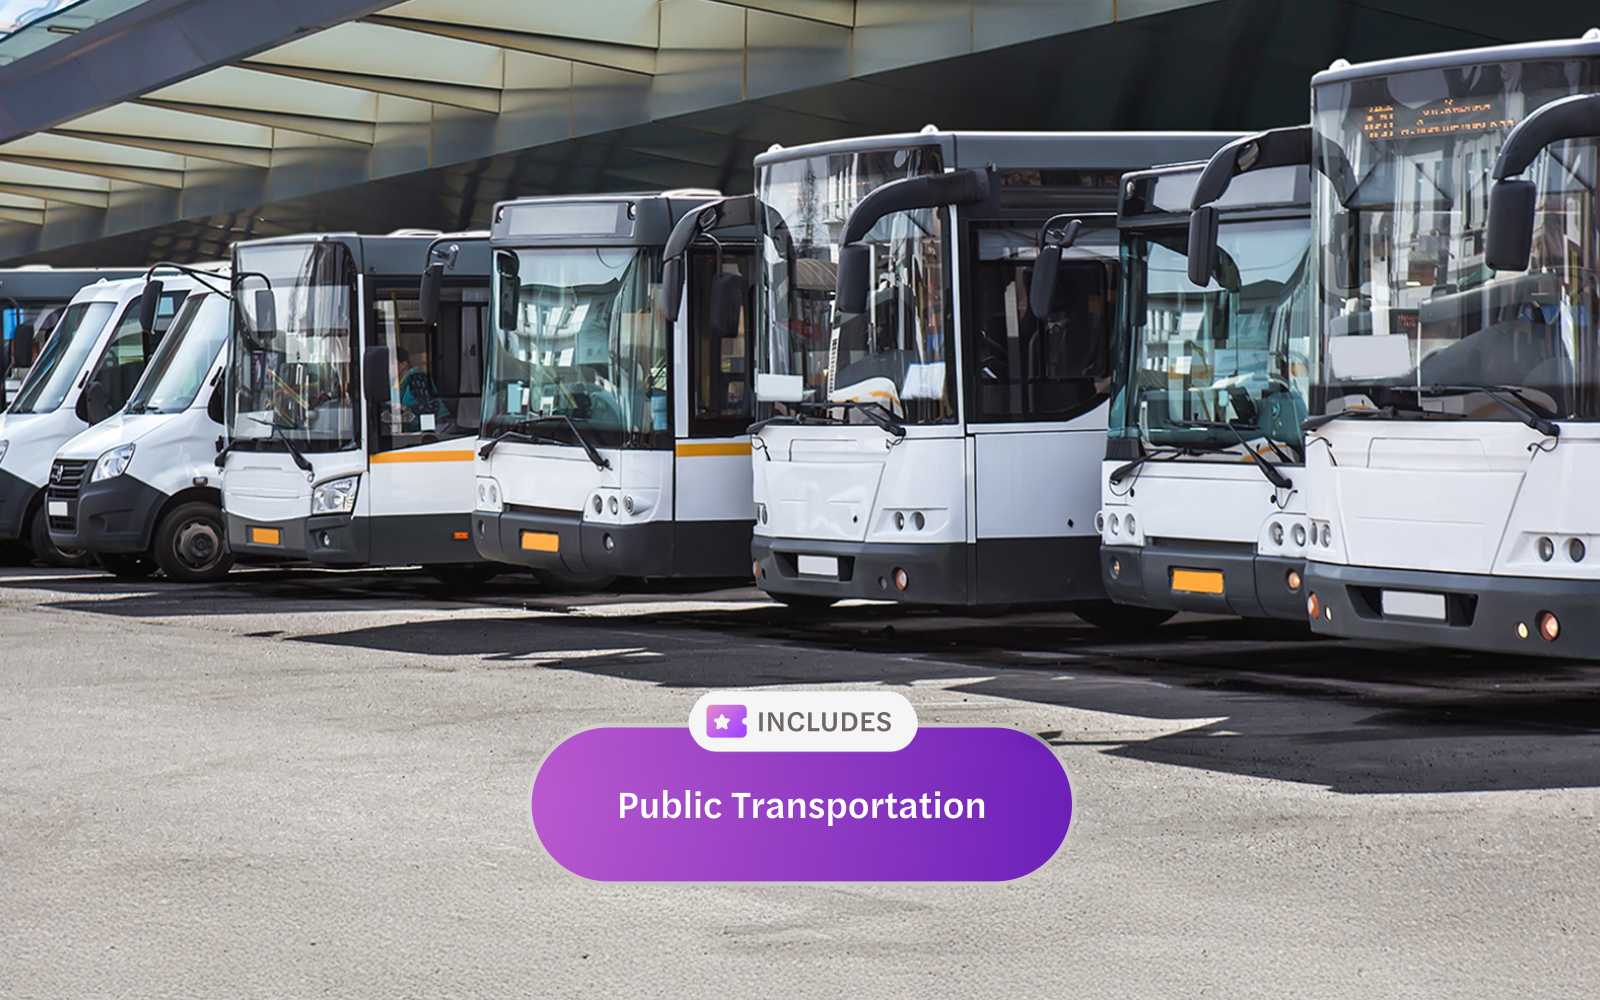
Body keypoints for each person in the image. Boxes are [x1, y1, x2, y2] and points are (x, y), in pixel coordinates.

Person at [390, 347, 449, 431]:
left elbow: (431, 406)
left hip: (436, 428)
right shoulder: (398, 384)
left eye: (390, 363)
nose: (387, 367)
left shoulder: (417, 379)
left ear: (403, 365)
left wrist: (405, 408)